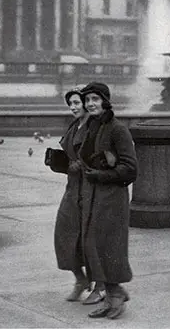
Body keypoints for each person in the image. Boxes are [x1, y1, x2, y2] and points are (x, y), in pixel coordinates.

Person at [78, 82, 138, 320]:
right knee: (94, 245)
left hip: (112, 197)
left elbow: (131, 169)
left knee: (109, 246)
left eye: (95, 99)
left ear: (105, 100)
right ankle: (112, 293)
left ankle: (115, 294)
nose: (90, 104)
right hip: (93, 195)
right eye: (87, 100)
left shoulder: (117, 129)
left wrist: (101, 175)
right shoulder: (92, 127)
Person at [48, 87, 105, 305]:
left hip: (91, 189)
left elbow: (102, 157)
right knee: (63, 234)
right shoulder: (75, 125)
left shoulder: (95, 127)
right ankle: (81, 280)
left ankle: (100, 287)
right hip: (73, 188)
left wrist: (80, 165)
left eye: (76, 103)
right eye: (70, 104)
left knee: (91, 239)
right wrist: (61, 162)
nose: (73, 107)